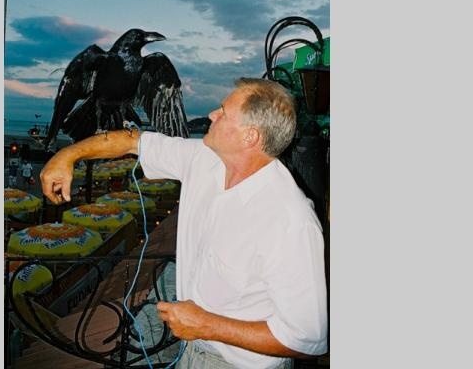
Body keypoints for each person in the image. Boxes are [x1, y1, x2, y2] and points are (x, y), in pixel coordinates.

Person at [40, 78, 327, 369]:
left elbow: (307, 339)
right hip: (190, 350)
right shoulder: (203, 158)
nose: (212, 114)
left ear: (249, 137)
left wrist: (207, 325)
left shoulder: (289, 220)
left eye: (224, 112)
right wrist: (66, 155)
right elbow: (131, 140)